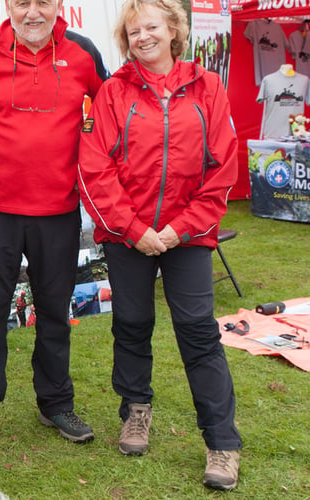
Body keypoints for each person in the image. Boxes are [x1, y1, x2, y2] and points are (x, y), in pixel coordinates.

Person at [78, 0, 242, 491]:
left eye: (151, 27)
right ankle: (135, 410)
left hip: (187, 235)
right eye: (132, 31)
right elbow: (95, 168)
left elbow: (222, 171)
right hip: (130, 236)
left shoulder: (208, 88)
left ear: (174, 29)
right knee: (131, 323)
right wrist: (134, 229)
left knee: (196, 331)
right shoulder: (111, 92)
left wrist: (179, 229)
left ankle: (222, 443)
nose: (142, 37)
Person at [0, 0, 108, 449]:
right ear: (8, 7)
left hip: (57, 211)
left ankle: (55, 402)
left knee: (56, 311)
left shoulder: (83, 53)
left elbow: (108, 112)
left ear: (59, 6)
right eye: (23, 3)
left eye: (43, 2)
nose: (33, 12)